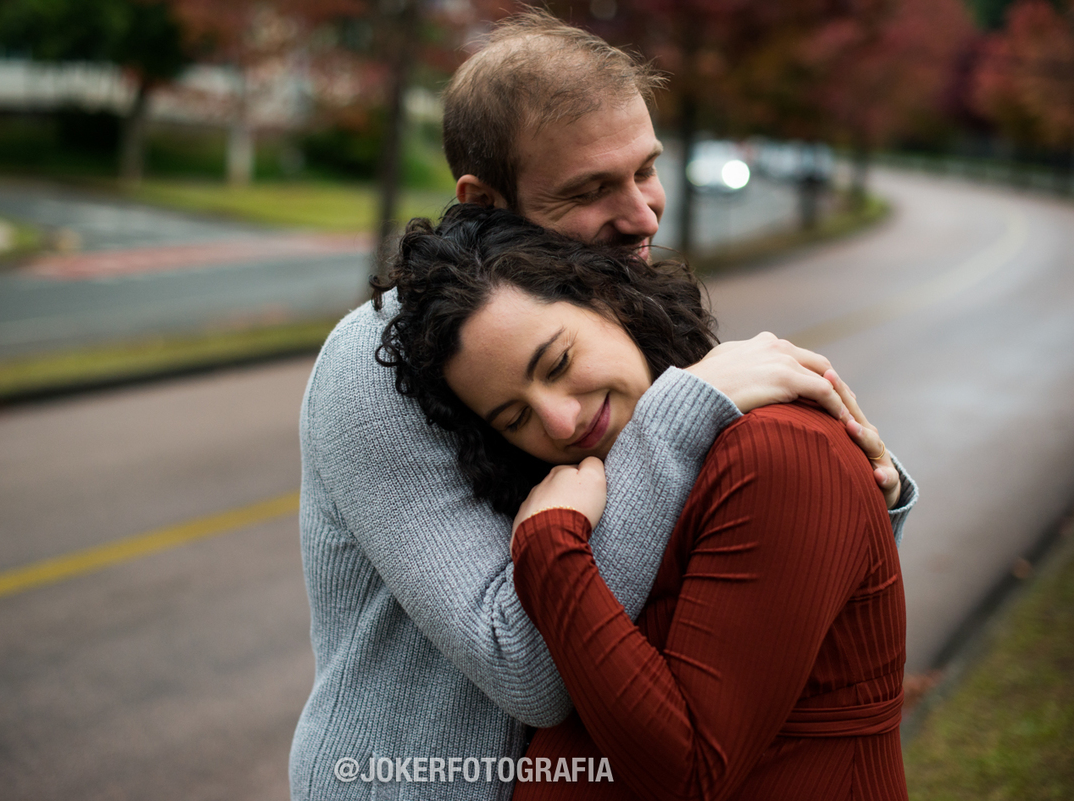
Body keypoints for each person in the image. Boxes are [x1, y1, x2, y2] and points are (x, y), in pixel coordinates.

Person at [290, 10, 916, 800]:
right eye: (591, 189)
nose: (644, 213)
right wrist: (681, 415)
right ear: (483, 201)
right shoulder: (388, 356)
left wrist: (866, 492)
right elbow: (527, 666)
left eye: (645, 169)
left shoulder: (605, 303)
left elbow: (720, 565)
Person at [377, 202, 907, 800]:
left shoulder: (775, 449)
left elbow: (690, 772)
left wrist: (550, 549)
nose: (559, 421)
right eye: (515, 416)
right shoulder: (606, 485)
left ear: (609, 297)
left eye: (558, 362)